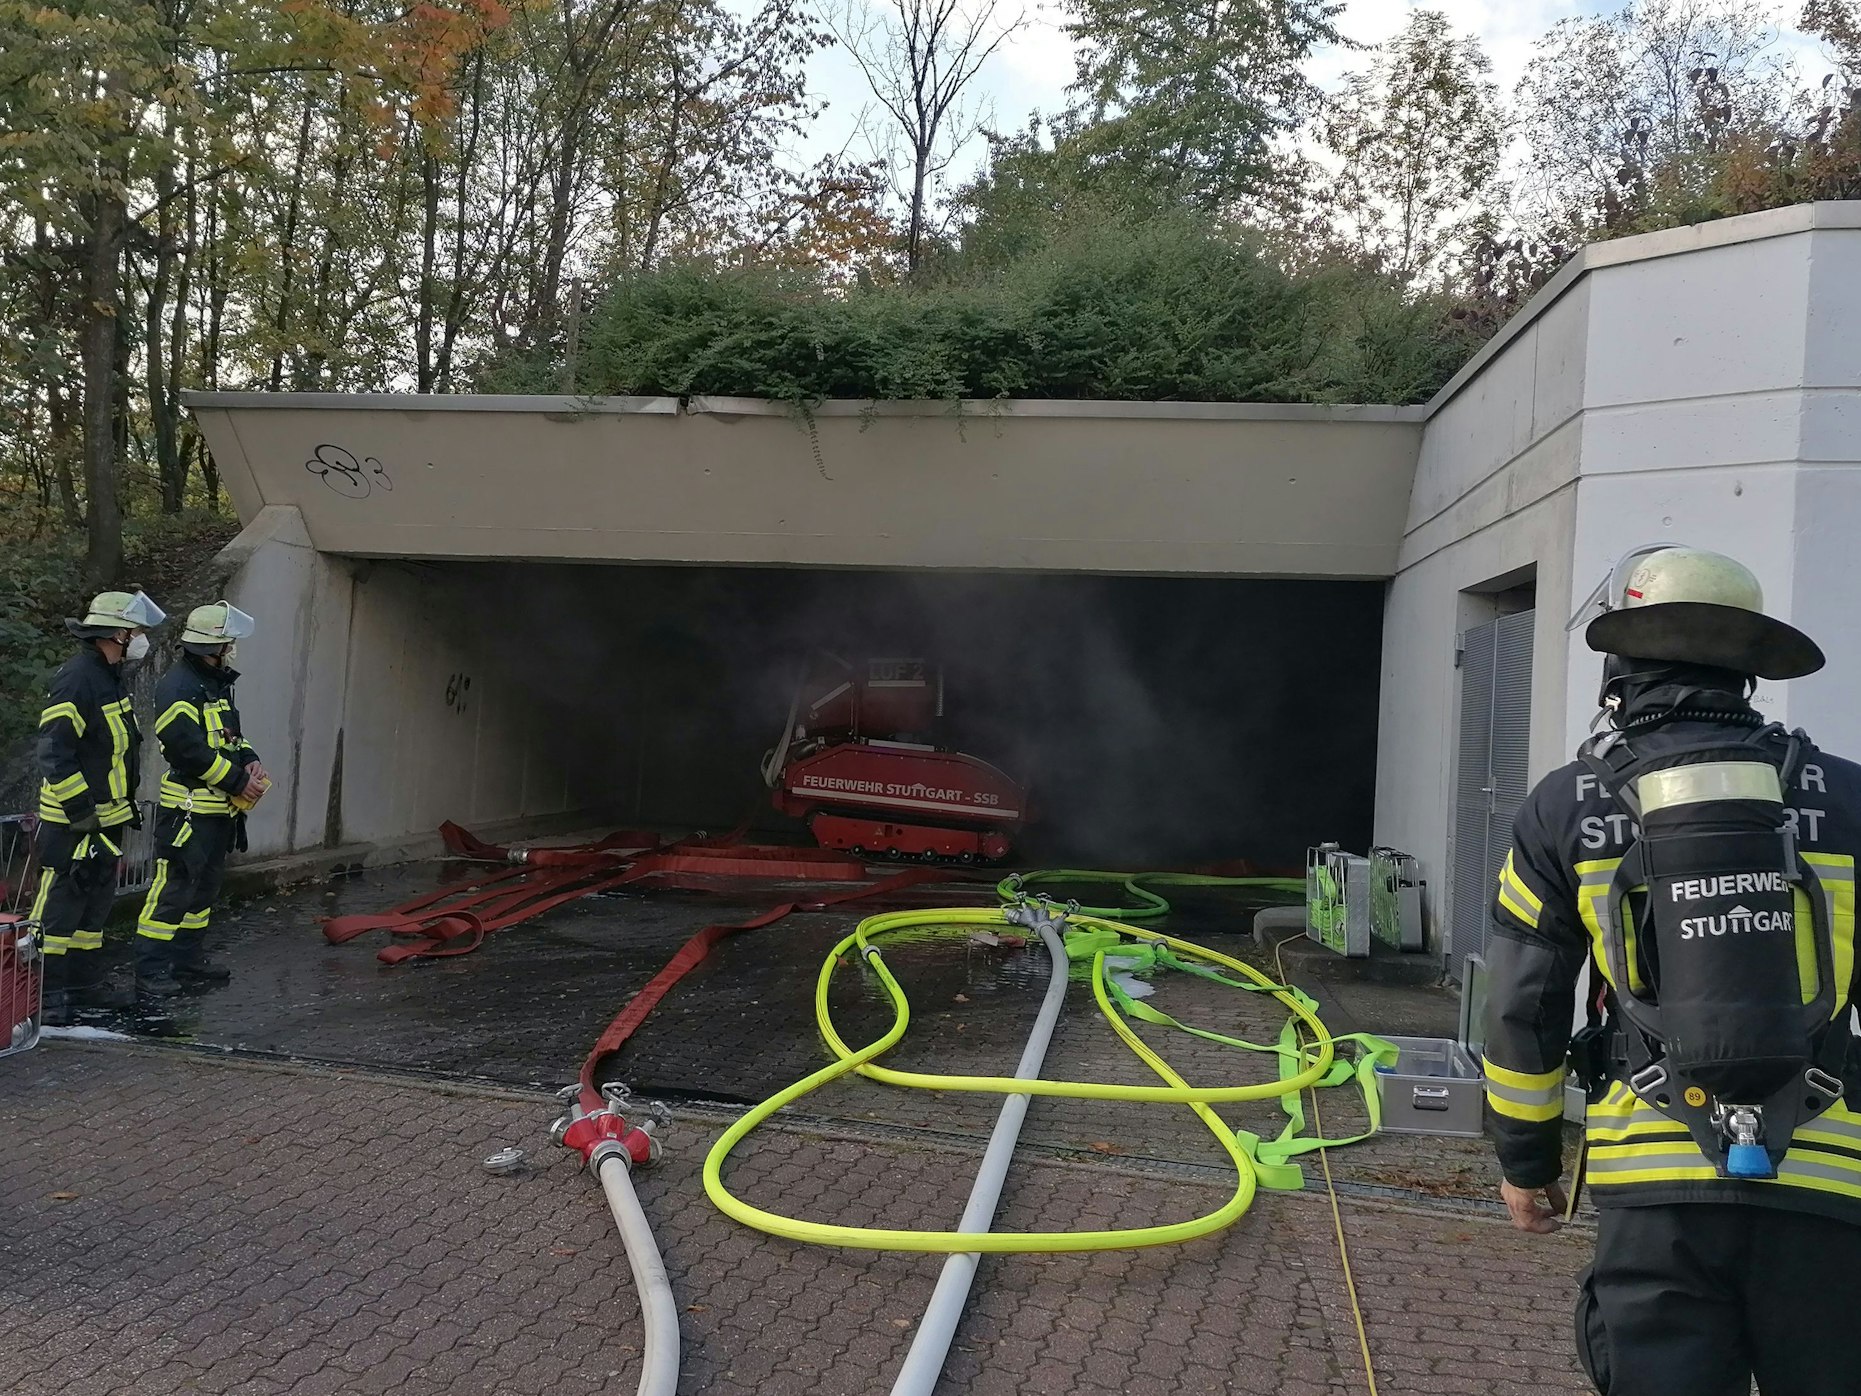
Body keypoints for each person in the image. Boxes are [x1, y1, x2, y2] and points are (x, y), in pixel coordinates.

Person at [1481, 544, 1861, 1396]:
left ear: (1620, 668)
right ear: (1747, 670)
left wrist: (1525, 1158)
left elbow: (1521, 1005)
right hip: (1829, 1181)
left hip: (1651, 1186)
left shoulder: (1566, 803)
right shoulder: (1847, 796)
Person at [32, 590, 166, 1025]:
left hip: (107, 822)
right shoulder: (78, 678)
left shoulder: (110, 677)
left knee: (93, 912)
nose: (142, 638)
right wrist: (80, 811)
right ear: (118, 633)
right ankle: (44, 996)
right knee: (58, 912)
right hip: (72, 825)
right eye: (137, 631)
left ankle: (83, 986)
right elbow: (55, 750)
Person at [134, 601, 270, 999]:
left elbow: (231, 736)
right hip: (188, 813)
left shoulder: (216, 683)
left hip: (216, 813)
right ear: (211, 646)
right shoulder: (178, 686)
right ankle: (151, 970)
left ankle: (187, 958)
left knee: (204, 890)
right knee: (174, 890)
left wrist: (250, 760)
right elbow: (184, 749)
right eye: (227, 642)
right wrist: (235, 781)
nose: (231, 648)